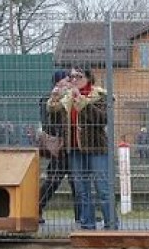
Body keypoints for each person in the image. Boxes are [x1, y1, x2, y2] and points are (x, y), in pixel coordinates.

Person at [46, 66, 118, 230]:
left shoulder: (100, 96)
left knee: (103, 189)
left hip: (96, 148)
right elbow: (54, 117)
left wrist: (83, 103)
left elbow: (102, 119)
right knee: (81, 190)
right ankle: (87, 224)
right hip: (74, 149)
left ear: (88, 78)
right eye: (71, 77)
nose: (74, 80)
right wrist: (55, 100)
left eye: (78, 76)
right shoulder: (67, 98)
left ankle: (111, 224)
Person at [38, 70, 77, 224]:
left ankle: (81, 215)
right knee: (52, 181)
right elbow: (47, 123)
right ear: (58, 82)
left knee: (77, 181)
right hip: (59, 148)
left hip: (73, 146)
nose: (71, 82)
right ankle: (36, 208)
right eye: (68, 79)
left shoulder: (72, 97)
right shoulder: (47, 99)